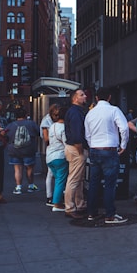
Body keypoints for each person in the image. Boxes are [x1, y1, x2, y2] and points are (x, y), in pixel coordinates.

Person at [84, 87, 130, 224]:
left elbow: (87, 134)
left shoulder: (90, 114)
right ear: (109, 97)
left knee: (94, 183)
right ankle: (110, 214)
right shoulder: (114, 110)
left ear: (96, 98)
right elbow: (124, 128)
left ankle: (92, 212)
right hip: (109, 149)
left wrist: (92, 144)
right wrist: (123, 145)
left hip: (94, 149)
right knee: (110, 183)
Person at [63, 89, 88, 219]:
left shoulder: (74, 111)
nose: (85, 96)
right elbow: (77, 134)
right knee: (74, 179)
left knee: (78, 178)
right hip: (76, 147)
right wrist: (80, 150)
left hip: (74, 147)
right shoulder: (75, 112)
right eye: (82, 95)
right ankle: (70, 207)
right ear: (75, 98)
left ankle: (79, 203)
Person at [5, 107, 40, 195]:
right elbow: (38, 133)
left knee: (17, 169)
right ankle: (31, 186)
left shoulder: (11, 125)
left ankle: (18, 187)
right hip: (29, 149)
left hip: (14, 150)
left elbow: (6, 136)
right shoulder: (31, 123)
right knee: (29, 169)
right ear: (25, 115)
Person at [46, 106, 69, 212]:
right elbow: (66, 143)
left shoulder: (52, 126)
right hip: (60, 156)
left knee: (58, 180)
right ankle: (57, 204)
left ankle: (57, 200)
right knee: (60, 180)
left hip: (50, 156)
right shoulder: (64, 127)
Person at [40, 103, 60, 206]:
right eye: (55, 115)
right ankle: (50, 196)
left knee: (52, 174)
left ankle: (51, 196)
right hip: (52, 149)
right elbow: (46, 138)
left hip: (52, 150)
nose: (57, 117)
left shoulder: (47, 121)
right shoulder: (46, 121)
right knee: (51, 174)